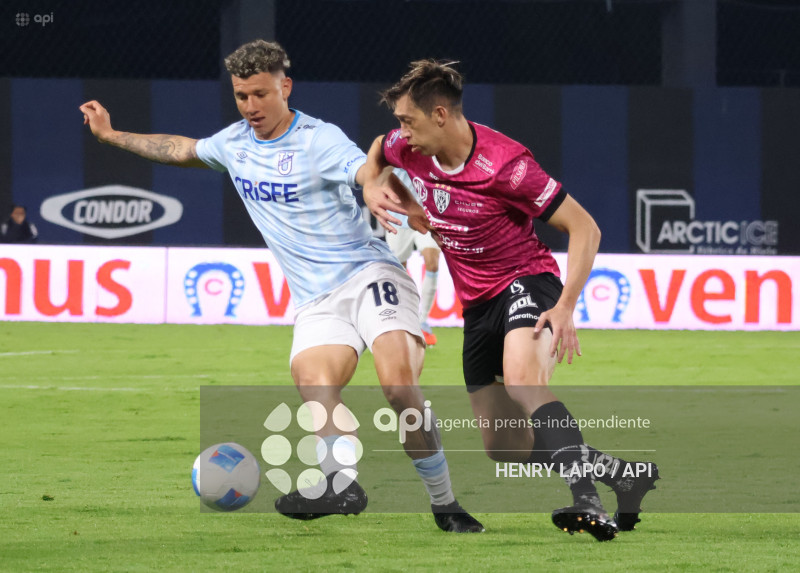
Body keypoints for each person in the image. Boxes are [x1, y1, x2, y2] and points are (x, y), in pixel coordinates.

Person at [79, 41, 482, 533]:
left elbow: (365, 171)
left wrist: (377, 188)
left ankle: (446, 505)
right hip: (316, 300)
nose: (251, 107)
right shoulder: (233, 144)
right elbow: (181, 149)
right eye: (242, 96)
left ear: (284, 87)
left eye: (261, 95)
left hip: (369, 275)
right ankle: (340, 485)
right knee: (315, 383)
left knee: (399, 388)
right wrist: (112, 135)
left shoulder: (319, 139)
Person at [363, 60, 659, 542]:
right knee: (503, 446)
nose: (401, 133)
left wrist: (564, 306)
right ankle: (625, 475)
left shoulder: (507, 166)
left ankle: (587, 499)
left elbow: (586, 228)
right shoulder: (409, 147)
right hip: (477, 305)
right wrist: (382, 187)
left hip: (527, 281)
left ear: (440, 115)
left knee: (525, 382)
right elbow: (378, 151)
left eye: (408, 121)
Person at [386, 169, 442, 346]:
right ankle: (404, 320)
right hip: (398, 216)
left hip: (427, 215)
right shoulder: (393, 146)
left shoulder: (429, 145)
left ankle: (423, 322)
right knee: (398, 271)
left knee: (432, 263)